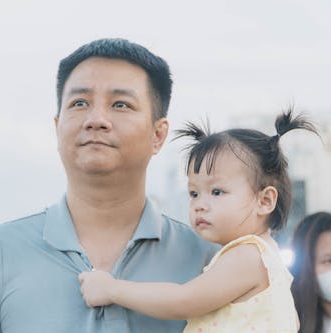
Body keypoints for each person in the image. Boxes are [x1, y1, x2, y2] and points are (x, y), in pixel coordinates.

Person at [0, 38, 216, 333]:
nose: (96, 119)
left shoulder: (211, 259)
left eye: (120, 104)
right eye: (79, 103)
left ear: (158, 134)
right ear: (57, 125)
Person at [78, 109, 316, 332]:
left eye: (217, 192)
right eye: (194, 193)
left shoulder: (248, 255)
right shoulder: (270, 261)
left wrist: (112, 289)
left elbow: (183, 300)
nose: (200, 204)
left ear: (264, 201)